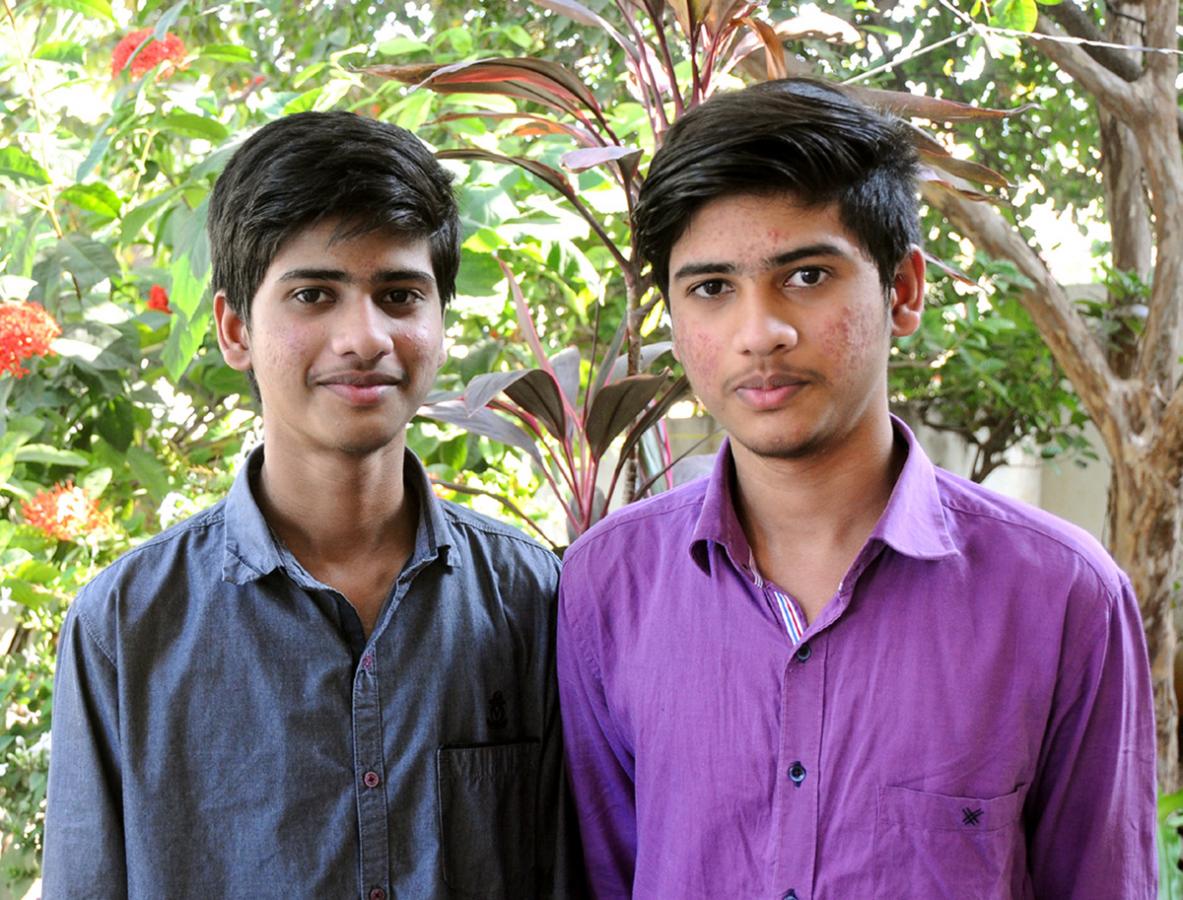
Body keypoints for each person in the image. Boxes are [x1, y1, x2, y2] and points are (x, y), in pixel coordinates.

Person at [557, 78, 1156, 898]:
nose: (759, 333)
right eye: (712, 288)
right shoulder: (607, 587)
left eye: (806, 276)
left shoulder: (1061, 596)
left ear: (902, 290)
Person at [44, 111, 577, 899]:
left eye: (399, 294)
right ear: (234, 330)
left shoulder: (530, 597)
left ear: (439, 321)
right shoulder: (127, 624)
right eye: (313, 294)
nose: (364, 337)